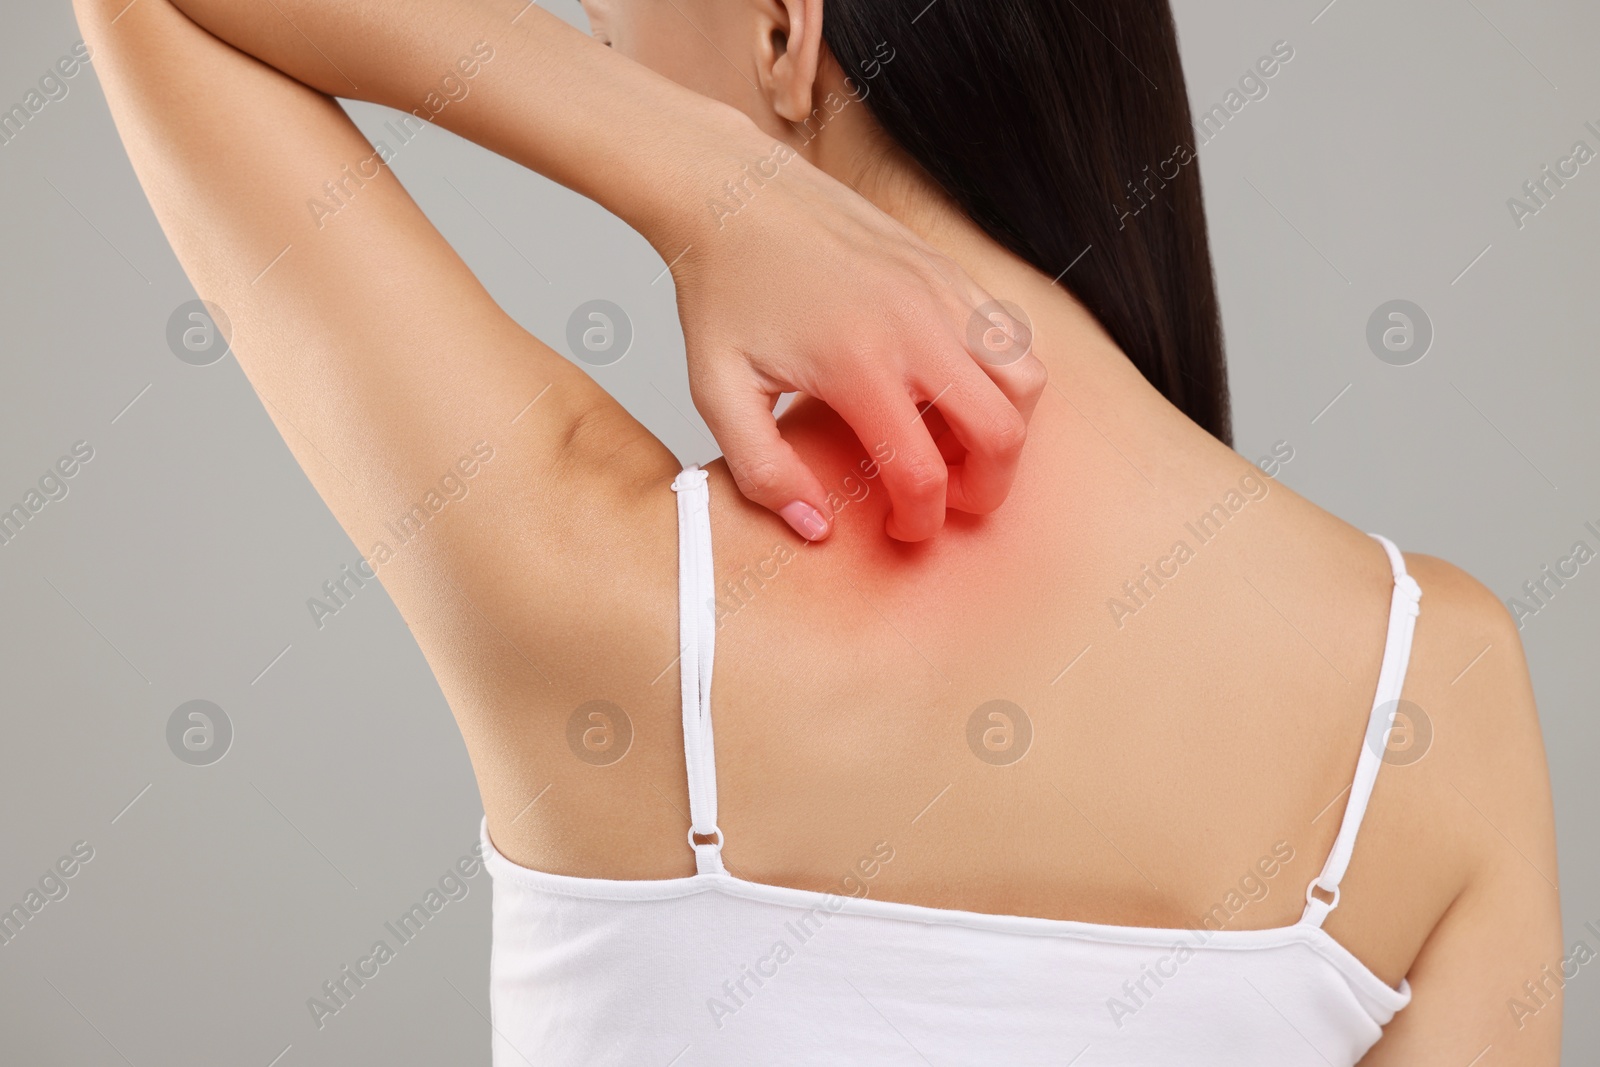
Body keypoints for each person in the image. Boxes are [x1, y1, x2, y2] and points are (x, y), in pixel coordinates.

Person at [74, 0, 1560, 1063]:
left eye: (611, 29)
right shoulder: (1435, 696)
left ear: (789, 32)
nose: (598, 45)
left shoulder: (594, 577)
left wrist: (706, 187)